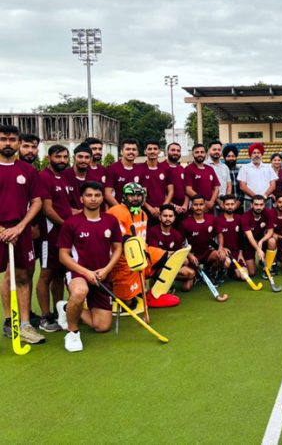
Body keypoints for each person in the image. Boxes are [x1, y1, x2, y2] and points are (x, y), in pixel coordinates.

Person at [56, 181, 123, 351]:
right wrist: (86, 273)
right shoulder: (71, 223)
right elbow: (63, 256)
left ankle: (66, 307)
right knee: (80, 292)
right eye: (89, 195)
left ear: (102, 198)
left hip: (102, 275)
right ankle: (72, 333)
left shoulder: (111, 221)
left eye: (97, 195)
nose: (93, 199)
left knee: (101, 326)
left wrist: (106, 270)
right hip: (78, 273)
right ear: (81, 198)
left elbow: (118, 248)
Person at [0, 125, 45, 344]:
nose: (7, 143)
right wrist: (3, 230)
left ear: (17, 142)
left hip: (21, 230)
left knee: (23, 276)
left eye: (11, 139)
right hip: (1, 230)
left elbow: (36, 201)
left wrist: (19, 227)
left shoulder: (28, 171)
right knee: (8, 276)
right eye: (2, 139)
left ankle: (23, 325)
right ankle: (9, 321)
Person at [107, 182, 178, 308]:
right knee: (129, 303)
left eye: (139, 195)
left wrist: (144, 253)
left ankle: (154, 292)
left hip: (141, 251)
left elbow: (142, 238)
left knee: (171, 257)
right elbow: (122, 239)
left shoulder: (143, 214)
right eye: (131, 195)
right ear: (124, 196)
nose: (135, 198)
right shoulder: (116, 212)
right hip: (123, 260)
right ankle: (125, 294)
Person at [38, 144, 77, 332]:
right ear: (49, 158)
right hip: (50, 234)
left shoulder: (63, 177)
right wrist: (66, 225)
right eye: (58, 157)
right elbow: (48, 209)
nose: (62, 160)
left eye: (65, 157)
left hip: (64, 234)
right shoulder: (44, 177)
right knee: (46, 274)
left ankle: (58, 311)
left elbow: (67, 207)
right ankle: (45, 317)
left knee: (60, 274)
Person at [147, 204, 196, 292]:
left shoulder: (177, 234)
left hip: (172, 265)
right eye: (165, 216)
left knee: (189, 280)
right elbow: (154, 254)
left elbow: (180, 252)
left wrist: (185, 258)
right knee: (165, 271)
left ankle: (170, 282)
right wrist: (175, 255)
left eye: (170, 216)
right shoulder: (152, 232)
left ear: (174, 218)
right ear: (160, 217)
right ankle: (157, 281)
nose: (168, 218)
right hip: (157, 267)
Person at [179, 195, 219, 272]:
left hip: (207, 253)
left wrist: (220, 247)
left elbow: (219, 233)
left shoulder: (212, 218)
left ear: (204, 205)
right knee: (189, 283)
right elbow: (181, 243)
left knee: (222, 257)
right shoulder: (185, 223)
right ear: (191, 206)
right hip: (193, 255)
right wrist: (189, 255)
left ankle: (211, 272)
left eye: (201, 204)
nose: (198, 207)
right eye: (195, 205)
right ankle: (196, 275)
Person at [240, 195, 276, 277]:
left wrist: (262, 241)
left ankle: (268, 268)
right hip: (249, 243)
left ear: (264, 205)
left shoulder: (268, 213)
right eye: (256, 204)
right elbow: (249, 237)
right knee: (251, 273)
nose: (259, 207)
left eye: (261, 204)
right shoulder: (245, 217)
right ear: (251, 205)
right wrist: (258, 249)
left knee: (272, 241)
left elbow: (271, 231)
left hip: (262, 240)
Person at [139, 140, 172, 226]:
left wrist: (162, 208)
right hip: (144, 211)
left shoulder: (166, 168)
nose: (152, 151)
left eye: (155, 149)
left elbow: (171, 191)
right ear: (145, 151)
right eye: (149, 149)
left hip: (162, 212)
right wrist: (149, 208)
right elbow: (138, 193)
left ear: (159, 151)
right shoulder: (139, 169)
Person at [214, 195, 246, 280]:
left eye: (232, 204)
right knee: (226, 262)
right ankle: (216, 273)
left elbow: (242, 238)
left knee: (243, 277)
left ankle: (231, 272)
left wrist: (241, 253)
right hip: (225, 253)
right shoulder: (218, 220)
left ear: (235, 205)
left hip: (236, 253)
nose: (230, 206)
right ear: (223, 205)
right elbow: (213, 239)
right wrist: (222, 248)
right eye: (227, 204)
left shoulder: (239, 218)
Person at [238, 143, 276, 210]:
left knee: (267, 219)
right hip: (249, 200)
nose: (256, 155)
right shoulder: (244, 168)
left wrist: (264, 196)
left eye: (258, 153)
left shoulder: (269, 167)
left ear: (261, 154)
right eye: (254, 153)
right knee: (249, 219)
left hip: (266, 200)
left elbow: (273, 185)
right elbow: (242, 186)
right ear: (250, 155)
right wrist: (255, 197)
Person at [105, 138, 143, 206]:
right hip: (117, 211)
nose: (131, 152)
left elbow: (143, 193)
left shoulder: (140, 169)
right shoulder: (112, 168)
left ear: (137, 153)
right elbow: (107, 194)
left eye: (134, 149)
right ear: (121, 152)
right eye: (128, 149)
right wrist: (120, 210)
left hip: (135, 211)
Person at [185, 143, 221, 213]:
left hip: (210, 207)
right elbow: (188, 190)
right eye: (197, 152)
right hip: (196, 207)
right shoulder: (188, 169)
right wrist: (203, 202)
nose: (200, 154)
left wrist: (211, 202)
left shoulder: (210, 169)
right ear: (193, 154)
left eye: (202, 152)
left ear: (206, 154)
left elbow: (216, 188)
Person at [64, 144, 93, 210]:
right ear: (74, 158)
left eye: (87, 157)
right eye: (80, 157)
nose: (83, 160)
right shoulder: (63, 176)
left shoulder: (94, 178)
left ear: (91, 159)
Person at [206, 140, 232, 211]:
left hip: (224, 204)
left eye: (219, 150)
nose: (217, 151)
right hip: (210, 203)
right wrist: (218, 201)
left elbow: (229, 185)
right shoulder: (204, 166)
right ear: (209, 151)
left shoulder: (225, 167)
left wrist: (226, 200)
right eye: (214, 149)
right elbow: (207, 186)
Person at [164, 142, 187, 214]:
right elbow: (160, 192)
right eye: (173, 150)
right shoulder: (161, 167)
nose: (175, 152)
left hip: (183, 210)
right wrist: (173, 206)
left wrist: (185, 205)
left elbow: (186, 190)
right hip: (167, 210)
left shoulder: (182, 169)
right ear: (167, 151)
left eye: (178, 151)